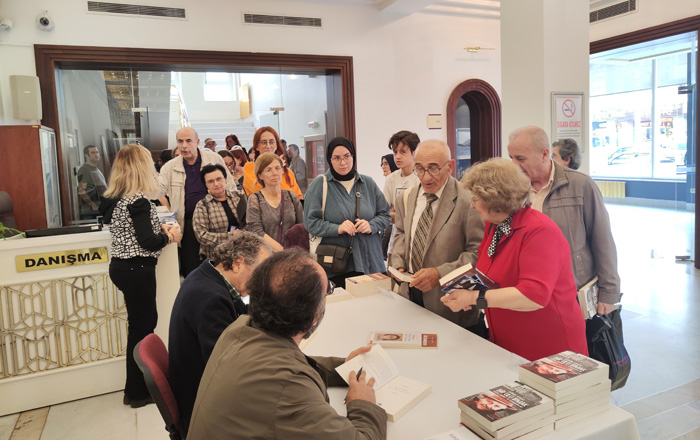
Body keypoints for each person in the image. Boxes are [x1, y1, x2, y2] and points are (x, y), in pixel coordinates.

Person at [187, 249, 387, 439]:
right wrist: (362, 403)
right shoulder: (289, 388)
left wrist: (340, 368)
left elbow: (285, 364)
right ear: (313, 318)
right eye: (328, 291)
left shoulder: (239, 329)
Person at [441, 158, 588, 361]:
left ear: (494, 200)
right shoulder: (495, 225)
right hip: (510, 339)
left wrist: (475, 298)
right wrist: (466, 292)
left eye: (475, 199)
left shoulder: (539, 231)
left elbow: (533, 295)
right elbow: (487, 274)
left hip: (550, 344)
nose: (472, 206)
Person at [99, 144, 182, 408]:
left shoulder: (117, 199)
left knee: (139, 326)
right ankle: (137, 392)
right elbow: (148, 242)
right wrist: (169, 236)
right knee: (143, 328)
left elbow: (134, 232)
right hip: (137, 269)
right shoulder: (138, 201)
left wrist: (159, 230)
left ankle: (134, 389)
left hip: (122, 268)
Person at [507, 126, 621, 314]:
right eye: (511, 157)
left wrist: (609, 291)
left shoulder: (581, 185)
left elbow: (602, 240)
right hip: (529, 292)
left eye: (520, 158)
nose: (514, 165)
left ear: (544, 154)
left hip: (573, 291)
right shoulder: (513, 190)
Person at [169, 232, 271, 433]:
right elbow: (227, 366)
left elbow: (241, 314)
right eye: (259, 273)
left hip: (199, 387)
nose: (260, 282)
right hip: (203, 408)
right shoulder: (211, 298)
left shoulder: (207, 275)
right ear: (238, 263)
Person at [390, 140, 484, 333]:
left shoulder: (469, 201)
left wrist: (440, 274)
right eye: (419, 169)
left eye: (433, 169)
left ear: (450, 167)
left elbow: (478, 253)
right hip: (411, 295)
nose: (426, 177)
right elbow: (401, 232)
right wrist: (398, 262)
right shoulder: (406, 198)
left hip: (451, 306)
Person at [304, 137, 391, 288]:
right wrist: (337, 228)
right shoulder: (320, 185)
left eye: (347, 156)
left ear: (353, 156)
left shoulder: (367, 183)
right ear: (329, 160)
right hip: (338, 265)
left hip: (371, 261)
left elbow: (385, 214)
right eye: (337, 158)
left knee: (376, 301)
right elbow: (310, 222)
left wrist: (371, 225)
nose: (343, 162)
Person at [156, 127, 234, 277]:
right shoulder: (169, 167)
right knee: (192, 271)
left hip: (216, 223)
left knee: (220, 268)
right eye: (180, 141)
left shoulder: (214, 159)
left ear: (197, 142)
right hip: (187, 225)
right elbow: (158, 192)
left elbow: (230, 187)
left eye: (188, 141)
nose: (184, 145)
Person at [247, 153, 304, 252]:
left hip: (293, 253)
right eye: (268, 170)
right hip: (267, 254)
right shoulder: (255, 200)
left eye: (277, 168)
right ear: (260, 175)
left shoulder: (292, 197)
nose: (275, 173)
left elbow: (301, 226)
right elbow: (257, 232)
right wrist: (282, 252)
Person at [192, 164, 247, 260]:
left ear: (225, 179)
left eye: (219, 179)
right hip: (217, 257)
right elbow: (201, 235)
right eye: (210, 181)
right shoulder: (202, 206)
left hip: (243, 252)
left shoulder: (239, 197)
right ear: (205, 184)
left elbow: (251, 221)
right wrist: (231, 236)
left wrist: (244, 232)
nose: (216, 184)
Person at [383, 131, 421, 259]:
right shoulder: (391, 179)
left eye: (403, 152)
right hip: (396, 240)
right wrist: (397, 215)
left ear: (414, 153)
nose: (398, 156)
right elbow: (382, 213)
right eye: (395, 152)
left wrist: (395, 215)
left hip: (417, 239)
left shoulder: (420, 178)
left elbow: (418, 215)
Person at [242, 126, 303, 198]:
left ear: (276, 145)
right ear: (257, 147)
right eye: (264, 142)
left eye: (271, 142)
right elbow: (261, 191)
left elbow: (298, 197)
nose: (268, 146)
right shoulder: (250, 167)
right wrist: (277, 167)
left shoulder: (288, 173)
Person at [77, 145, 107, 220]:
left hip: (101, 207)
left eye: (97, 152)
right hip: (92, 212)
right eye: (93, 153)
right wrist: (93, 205)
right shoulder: (85, 169)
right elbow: (82, 191)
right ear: (86, 155)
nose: (96, 154)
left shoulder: (95, 168)